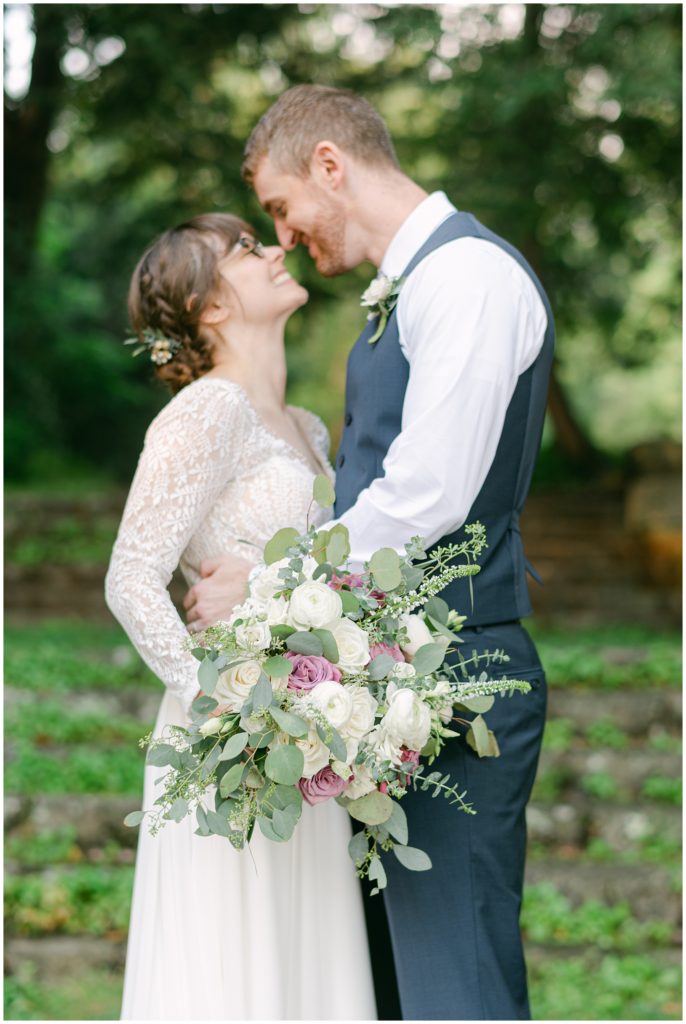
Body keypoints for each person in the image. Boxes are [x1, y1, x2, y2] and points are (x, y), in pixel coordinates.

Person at [186, 85, 554, 1021]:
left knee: (453, 982)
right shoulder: (410, 288)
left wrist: (270, 586)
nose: (285, 233)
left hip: (462, 676)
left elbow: (427, 495)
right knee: (391, 989)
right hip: (391, 687)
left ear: (331, 166)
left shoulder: (467, 277)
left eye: (280, 206)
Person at [105, 212, 377, 1021]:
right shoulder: (206, 411)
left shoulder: (308, 429)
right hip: (234, 737)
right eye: (248, 250)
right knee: (232, 970)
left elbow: (327, 574)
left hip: (304, 731)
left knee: (305, 964)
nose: (275, 250)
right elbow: (131, 578)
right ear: (212, 308)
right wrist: (213, 699)